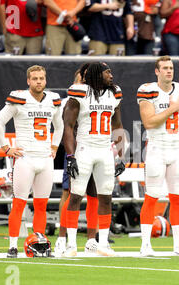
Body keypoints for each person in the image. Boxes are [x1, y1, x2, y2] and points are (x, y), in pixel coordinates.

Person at [0, 65, 64, 258]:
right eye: (35, 78)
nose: (39, 81)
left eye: (41, 78)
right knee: (19, 203)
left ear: (45, 80)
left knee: (41, 204)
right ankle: (13, 245)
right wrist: (6, 148)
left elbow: (59, 125)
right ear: (28, 81)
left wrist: (55, 146)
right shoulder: (19, 98)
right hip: (25, 158)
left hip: (45, 158)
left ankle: (38, 241)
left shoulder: (53, 99)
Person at [137, 55, 179, 257]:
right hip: (156, 148)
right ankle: (145, 244)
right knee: (152, 196)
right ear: (157, 71)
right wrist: (171, 109)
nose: (169, 71)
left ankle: (178, 245)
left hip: (178, 149)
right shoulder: (148, 90)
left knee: (178, 197)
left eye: (171, 67)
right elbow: (149, 123)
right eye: (164, 68)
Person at [62, 62, 125, 257]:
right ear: (97, 74)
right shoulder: (79, 92)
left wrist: (121, 155)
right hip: (84, 148)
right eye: (107, 72)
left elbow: (117, 125)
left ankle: (103, 243)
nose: (111, 75)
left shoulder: (114, 94)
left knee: (105, 197)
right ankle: (71, 244)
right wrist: (70, 156)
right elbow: (68, 126)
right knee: (76, 196)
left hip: (105, 150)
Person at [54, 64, 103, 257]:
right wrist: (70, 154)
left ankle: (94, 238)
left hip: (95, 150)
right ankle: (62, 237)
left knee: (95, 194)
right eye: (81, 79)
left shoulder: (99, 97)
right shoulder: (70, 99)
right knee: (70, 193)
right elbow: (64, 127)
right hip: (75, 151)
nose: (83, 83)